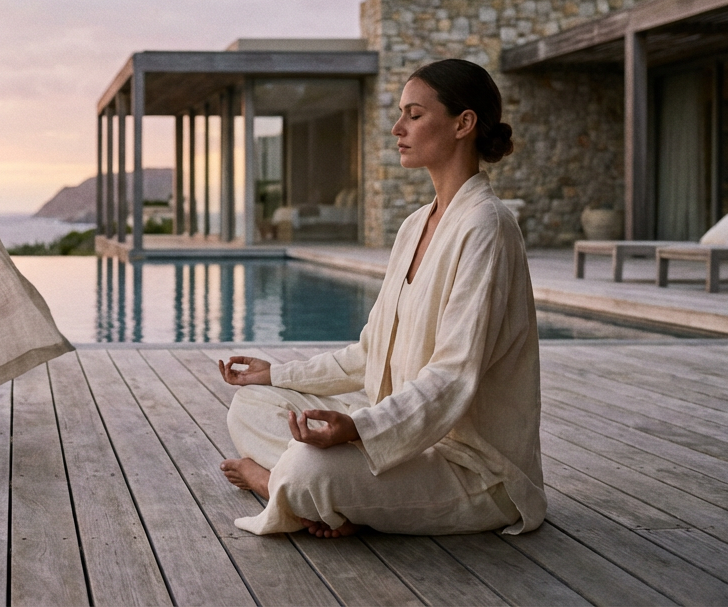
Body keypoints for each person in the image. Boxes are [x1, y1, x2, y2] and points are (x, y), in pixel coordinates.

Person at [218, 58, 544, 538]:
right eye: (401, 114)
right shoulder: (415, 226)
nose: (397, 128)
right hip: (396, 432)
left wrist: (356, 432)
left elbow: (454, 377)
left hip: (471, 468)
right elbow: (370, 353)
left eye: (414, 114)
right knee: (250, 405)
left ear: (464, 123)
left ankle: (279, 485)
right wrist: (278, 374)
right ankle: (332, 500)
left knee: (313, 467)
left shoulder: (487, 227)